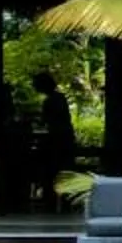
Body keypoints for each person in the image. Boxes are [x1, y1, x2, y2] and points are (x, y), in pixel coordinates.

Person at [33, 71, 77, 211]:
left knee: (51, 169)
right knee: (64, 169)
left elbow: (46, 120)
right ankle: (65, 201)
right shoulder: (60, 98)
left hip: (56, 140)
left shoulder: (51, 100)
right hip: (65, 138)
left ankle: (51, 201)